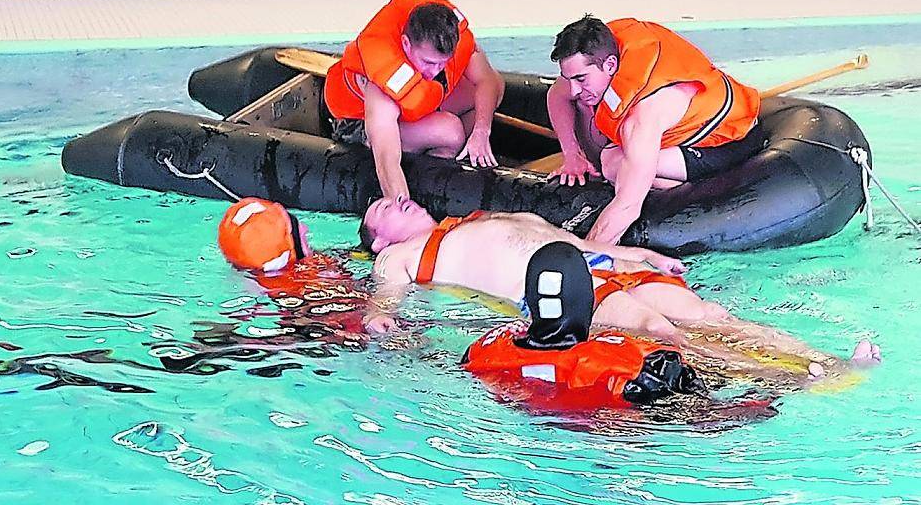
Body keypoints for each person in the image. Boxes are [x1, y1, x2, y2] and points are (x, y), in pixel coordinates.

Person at [359, 195, 881, 387]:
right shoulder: (401, 255)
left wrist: (640, 256)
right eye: (381, 209)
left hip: (606, 265)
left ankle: (827, 363)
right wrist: (382, 317)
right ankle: (782, 378)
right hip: (568, 290)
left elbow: (573, 240)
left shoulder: (486, 216)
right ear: (378, 237)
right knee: (660, 331)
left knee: (712, 315)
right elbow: (384, 299)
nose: (394, 201)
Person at [546, 15, 763, 244]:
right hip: (681, 125)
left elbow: (628, 207)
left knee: (614, 167)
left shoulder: (645, 114)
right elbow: (557, 95)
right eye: (569, 78)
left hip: (727, 141)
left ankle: (700, 195)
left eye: (581, 79)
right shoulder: (600, 53)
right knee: (611, 157)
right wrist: (572, 156)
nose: (574, 89)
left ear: (610, 65)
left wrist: (585, 258)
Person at [324, 0, 505, 201]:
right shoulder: (383, 79)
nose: (435, 72)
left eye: (443, 63)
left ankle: (462, 149)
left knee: (493, 89)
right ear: (406, 44)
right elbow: (386, 160)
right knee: (450, 131)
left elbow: (488, 80)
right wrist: (403, 211)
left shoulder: (453, 37)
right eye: (428, 62)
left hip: (418, 106)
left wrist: (481, 131)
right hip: (359, 122)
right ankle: (431, 178)